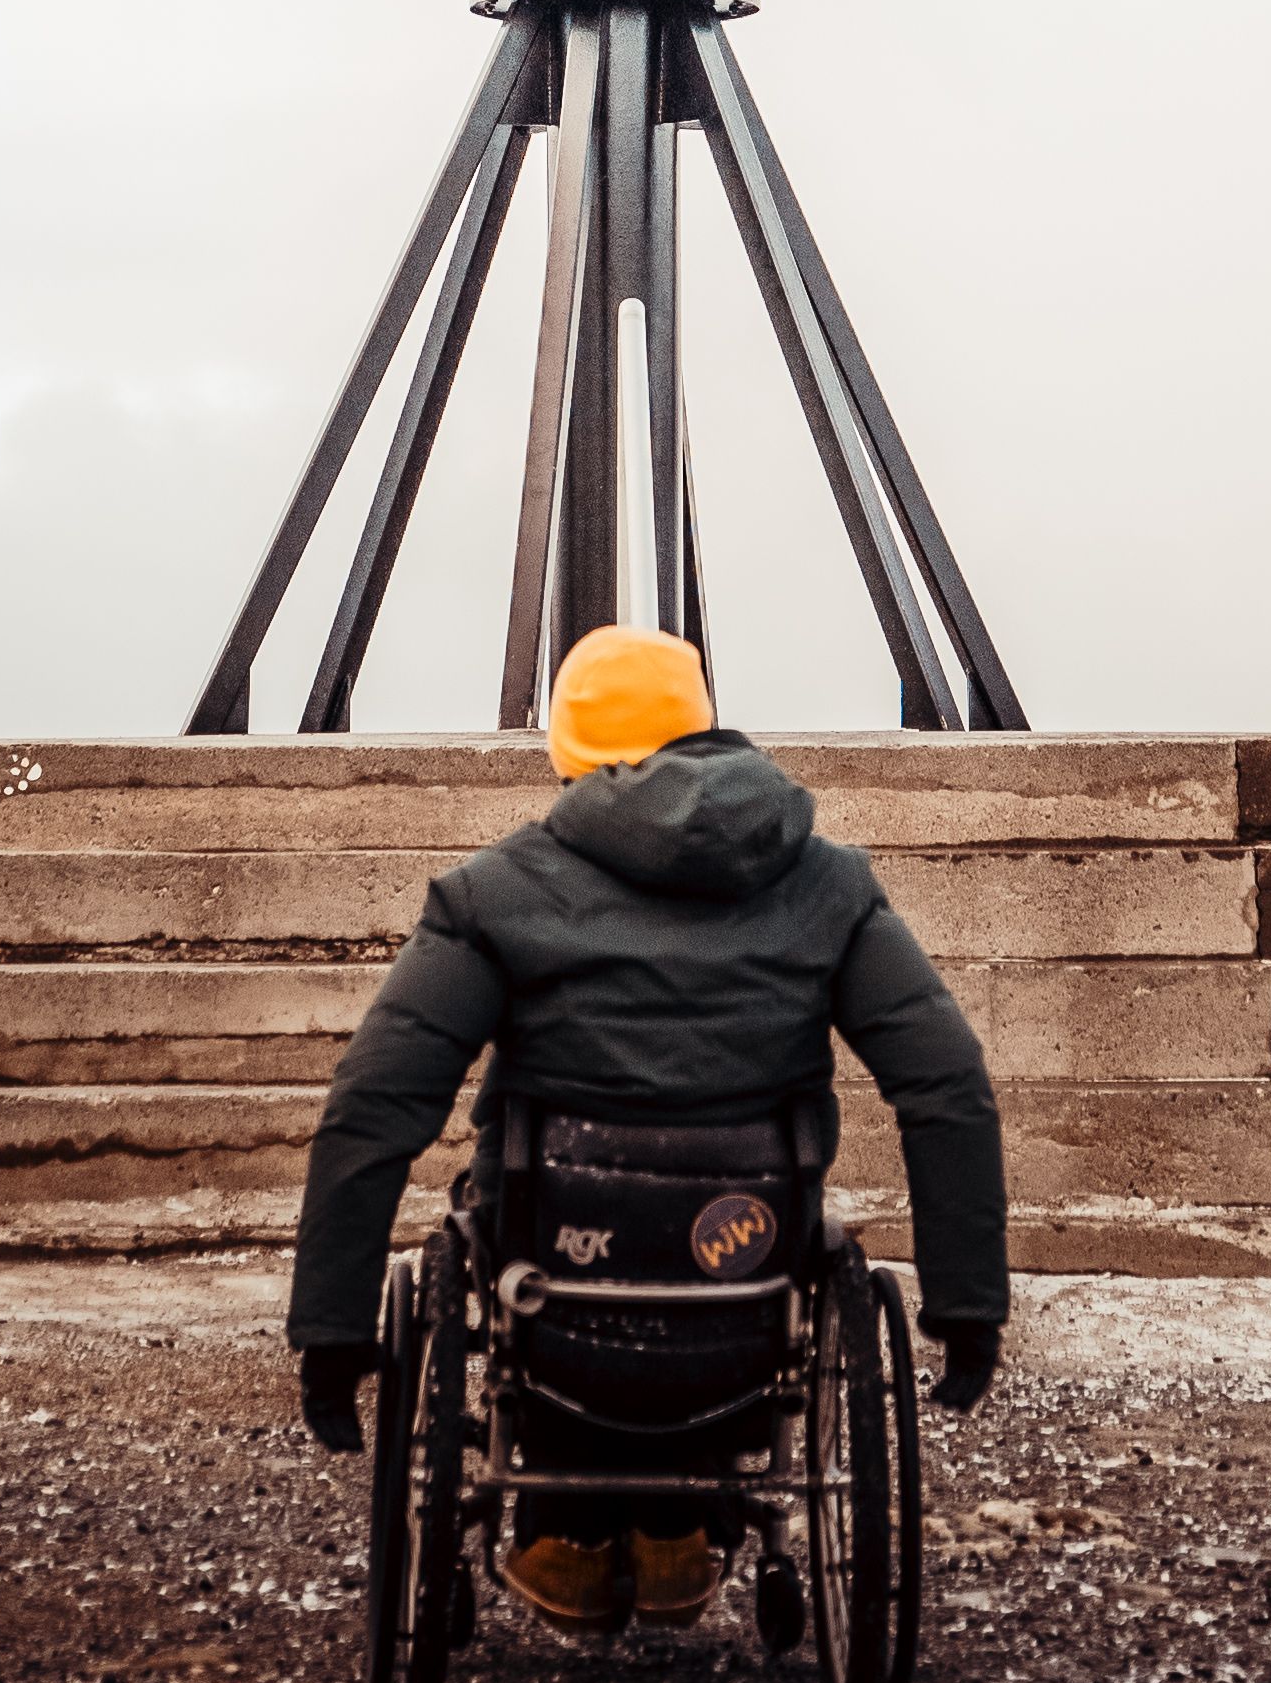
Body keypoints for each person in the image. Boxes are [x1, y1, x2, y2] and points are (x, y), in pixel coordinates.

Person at [286, 625, 1007, 1629]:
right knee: (730, 1225)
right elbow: (946, 1082)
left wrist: (332, 1327)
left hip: (553, 1292)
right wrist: (968, 1304)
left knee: (505, 1209)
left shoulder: (494, 894)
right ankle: (683, 1532)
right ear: (701, 727)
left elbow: (376, 1102)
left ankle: (565, 1534)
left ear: (571, 752)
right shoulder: (831, 886)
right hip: (747, 1279)